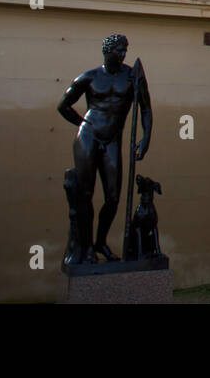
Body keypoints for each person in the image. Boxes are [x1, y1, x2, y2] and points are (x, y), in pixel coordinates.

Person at [57, 33, 152, 263]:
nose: (122, 54)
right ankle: (86, 247)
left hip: (112, 139)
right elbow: (63, 105)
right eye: (119, 50)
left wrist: (146, 138)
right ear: (107, 52)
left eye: (125, 50)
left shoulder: (132, 76)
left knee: (112, 197)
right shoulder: (89, 77)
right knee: (85, 194)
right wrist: (83, 124)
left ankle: (100, 241)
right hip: (89, 136)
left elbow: (146, 108)